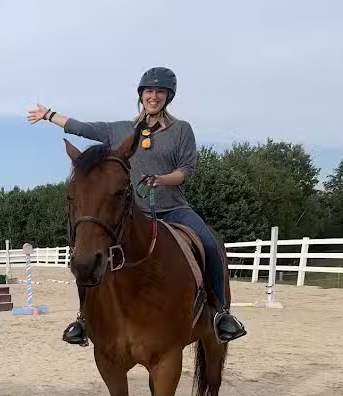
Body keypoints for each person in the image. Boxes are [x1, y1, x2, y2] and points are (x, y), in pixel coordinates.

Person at [26, 66, 247, 346]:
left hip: (173, 208)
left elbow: (186, 170)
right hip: (132, 214)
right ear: (141, 95)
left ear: (169, 96)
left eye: (160, 92)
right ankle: (84, 318)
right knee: (87, 250)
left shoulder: (181, 130)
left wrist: (162, 179)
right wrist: (49, 115)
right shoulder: (121, 130)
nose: (154, 96)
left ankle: (221, 313)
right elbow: (82, 128)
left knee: (210, 243)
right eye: (149, 91)